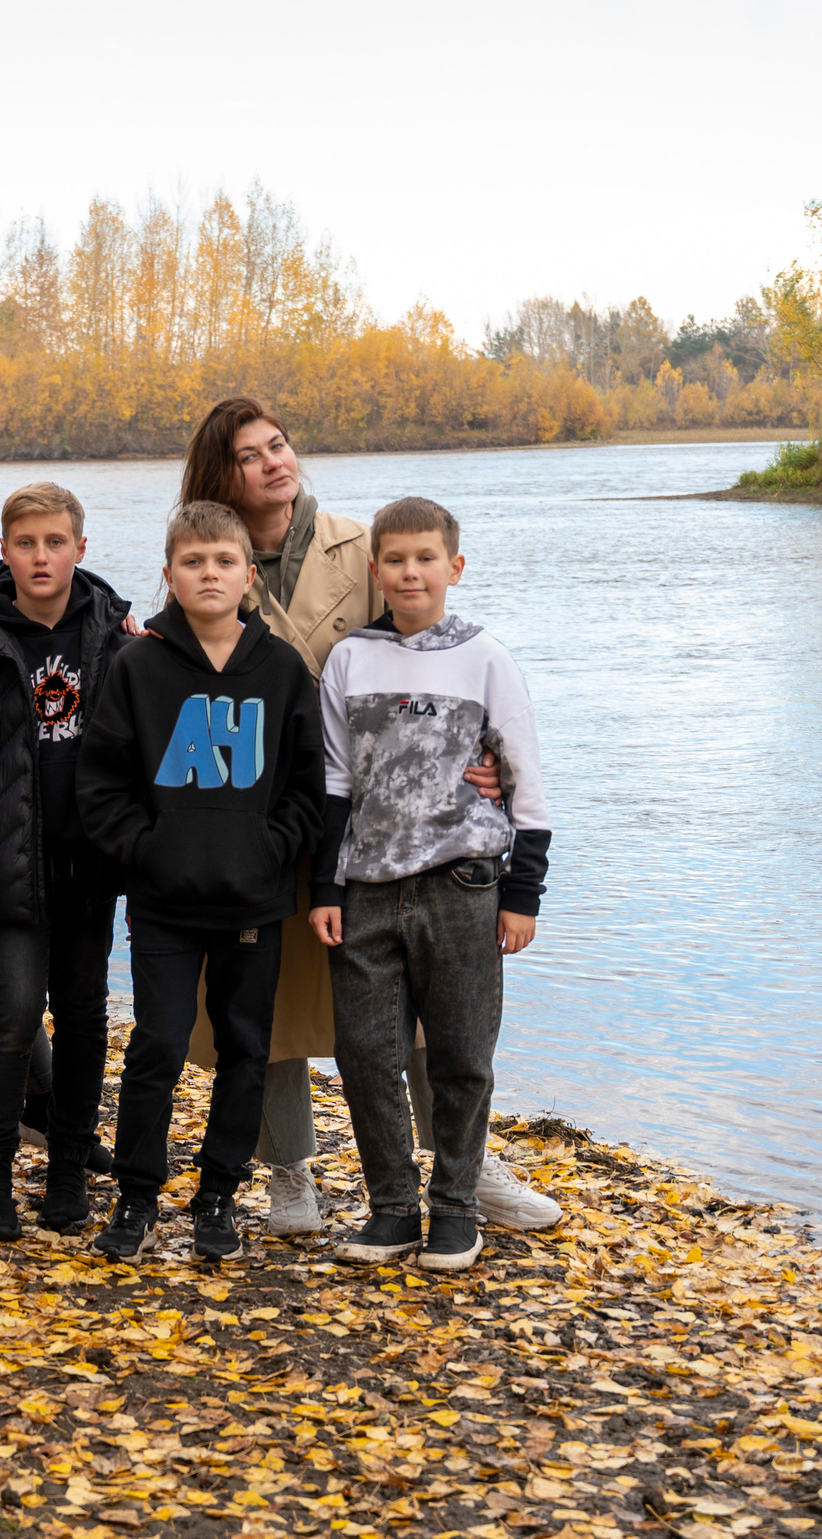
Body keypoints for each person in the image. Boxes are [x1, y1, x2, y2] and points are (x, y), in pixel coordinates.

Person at [175, 398, 551, 1237]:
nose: (276, 462)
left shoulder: (362, 546)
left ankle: (467, 1169)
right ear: (220, 472)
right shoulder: (206, 557)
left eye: (281, 444)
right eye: (250, 455)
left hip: (380, 823)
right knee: (262, 1002)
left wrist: (474, 762)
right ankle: (290, 1177)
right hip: (259, 814)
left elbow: (440, 660)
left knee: (415, 1005)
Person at [75, 501, 325, 1262]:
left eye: (223, 562)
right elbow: (102, 784)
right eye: (193, 562)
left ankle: (219, 1191)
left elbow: (307, 788)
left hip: (254, 898)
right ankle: (137, 1194)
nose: (208, 574)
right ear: (169, 575)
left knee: (247, 1048)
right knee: (157, 1042)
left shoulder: (280, 668)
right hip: (164, 906)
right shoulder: (139, 666)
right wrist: (149, 850)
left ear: (249, 575)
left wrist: (269, 850)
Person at [309, 498, 552, 1273]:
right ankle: (390, 1209)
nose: (410, 572)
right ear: (374, 570)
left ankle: (455, 1210)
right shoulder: (352, 658)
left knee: (461, 1054)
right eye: (395, 560)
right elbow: (334, 782)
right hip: (367, 889)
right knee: (366, 1053)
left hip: (465, 885)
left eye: (425, 558)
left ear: (454, 567)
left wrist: (523, 894)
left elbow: (525, 780)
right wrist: (324, 885)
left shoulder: (485, 657)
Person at [0, 481, 134, 1240]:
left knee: (84, 1017)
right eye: (25, 543)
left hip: (87, 864)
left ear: (80, 549)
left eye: (56, 543)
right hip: (2, 860)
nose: (41, 556)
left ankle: (66, 1169)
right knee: (13, 1014)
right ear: (4, 547)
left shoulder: (112, 632)